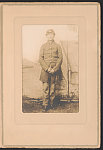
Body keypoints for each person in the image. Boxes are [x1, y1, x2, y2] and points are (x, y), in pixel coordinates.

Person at [39, 29, 63, 111]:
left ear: (54, 35)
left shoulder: (58, 46)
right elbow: (40, 59)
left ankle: (51, 104)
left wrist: (55, 69)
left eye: (51, 34)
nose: (50, 36)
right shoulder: (43, 46)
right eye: (48, 34)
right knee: (45, 88)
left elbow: (60, 58)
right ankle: (45, 105)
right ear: (46, 36)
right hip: (45, 71)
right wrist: (47, 68)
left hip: (54, 71)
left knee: (52, 88)